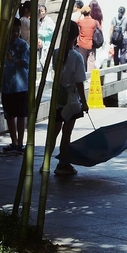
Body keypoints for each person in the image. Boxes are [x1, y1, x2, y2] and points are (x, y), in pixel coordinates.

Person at [53, 21, 89, 175]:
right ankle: (63, 163)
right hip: (71, 99)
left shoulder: (56, 53)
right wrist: (84, 103)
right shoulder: (77, 57)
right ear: (75, 36)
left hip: (58, 97)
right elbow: (79, 82)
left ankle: (46, 162)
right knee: (66, 132)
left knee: (54, 131)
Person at [1, 20, 29, 153]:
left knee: (21, 115)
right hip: (6, 84)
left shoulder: (22, 45)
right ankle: (14, 141)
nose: (15, 33)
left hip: (20, 85)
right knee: (9, 115)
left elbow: (27, 62)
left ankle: (20, 143)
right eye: (13, 31)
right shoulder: (2, 44)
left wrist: (13, 60)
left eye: (17, 31)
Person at [76, 5, 99, 71]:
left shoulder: (80, 22)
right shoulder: (94, 22)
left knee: (82, 60)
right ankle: (89, 76)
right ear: (89, 12)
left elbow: (75, 21)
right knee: (91, 61)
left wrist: (80, 14)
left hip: (82, 44)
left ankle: (83, 74)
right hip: (91, 44)